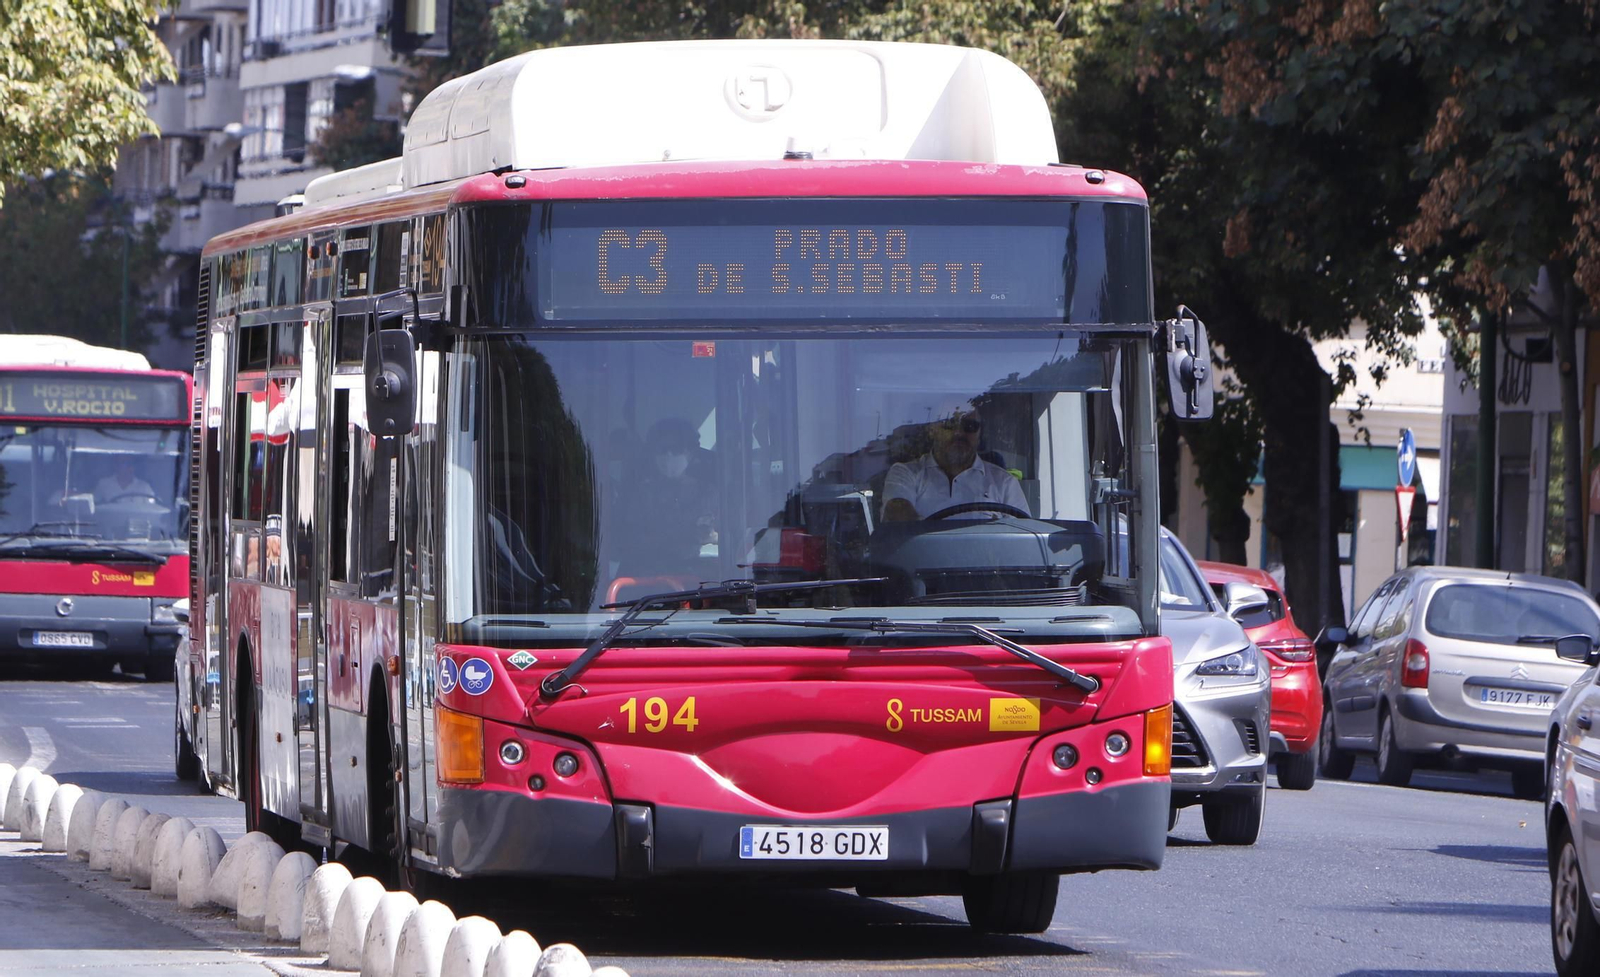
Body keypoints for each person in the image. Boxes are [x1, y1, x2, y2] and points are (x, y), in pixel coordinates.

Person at [882, 404, 1028, 521]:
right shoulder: (905, 474)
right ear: (933, 430)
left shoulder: (1005, 483)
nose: (959, 433)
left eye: (969, 426)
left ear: (979, 433)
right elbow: (897, 519)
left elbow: (1024, 541)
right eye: (949, 424)